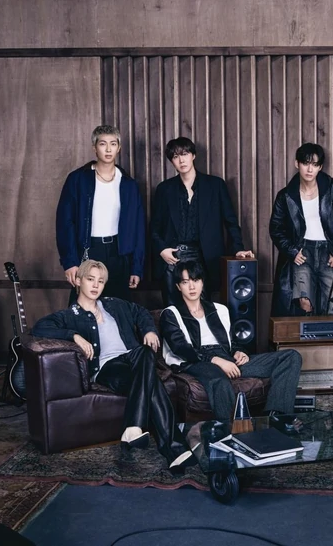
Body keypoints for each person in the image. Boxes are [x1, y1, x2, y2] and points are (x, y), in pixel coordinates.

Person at [30, 260, 197, 473]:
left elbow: (141, 312)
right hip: (107, 369)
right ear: (78, 281)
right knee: (151, 380)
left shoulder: (114, 305)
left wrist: (149, 330)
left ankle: (134, 429)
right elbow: (39, 328)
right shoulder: (69, 316)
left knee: (145, 353)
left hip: (134, 361)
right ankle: (172, 448)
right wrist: (74, 335)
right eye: (90, 279)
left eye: (100, 281)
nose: (95, 285)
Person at [160, 260, 303, 423]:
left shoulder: (219, 309)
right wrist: (216, 360)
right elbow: (181, 348)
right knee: (219, 380)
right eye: (185, 282)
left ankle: (276, 417)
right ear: (178, 286)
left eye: (195, 280)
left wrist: (238, 351)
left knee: (290, 357)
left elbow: (231, 342)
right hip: (195, 360)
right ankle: (229, 431)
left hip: (224, 357)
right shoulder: (171, 314)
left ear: (202, 282)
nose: (192, 287)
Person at [150, 137, 254, 305]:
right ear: (172, 161)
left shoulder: (215, 185)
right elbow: (154, 227)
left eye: (185, 154)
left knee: (203, 308)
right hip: (172, 256)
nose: (181, 160)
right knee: (173, 309)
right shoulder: (165, 189)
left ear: (193, 155)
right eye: (176, 156)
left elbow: (231, 222)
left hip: (204, 256)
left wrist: (238, 249)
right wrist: (162, 249)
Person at [55, 125, 146, 304]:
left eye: (113, 144)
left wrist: (137, 267)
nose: (108, 149)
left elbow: (138, 228)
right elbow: (65, 222)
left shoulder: (128, 184)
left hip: (119, 252)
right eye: (103, 144)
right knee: (83, 307)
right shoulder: (77, 180)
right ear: (94, 148)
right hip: (89, 249)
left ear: (119, 148)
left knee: (119, 308)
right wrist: (70, 261)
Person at [269, 142, 333, 317]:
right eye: (305, 163)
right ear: (297, 164)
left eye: (315, 164)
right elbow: (276, 228)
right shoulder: (286, 195)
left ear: (320, 167)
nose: (310, 169)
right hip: (302, 251)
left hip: (329, 251)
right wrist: (292, 251)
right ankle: (306, 336)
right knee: (303, 304)